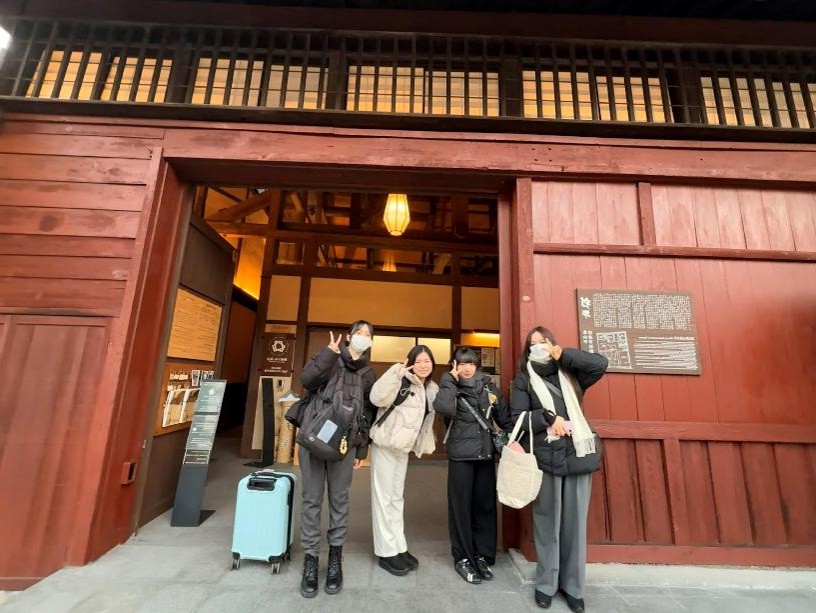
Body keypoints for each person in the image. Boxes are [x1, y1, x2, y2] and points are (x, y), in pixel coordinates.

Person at [510, 327, 608, 612]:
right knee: (547, 523)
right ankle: (546, 584)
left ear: (552, 343)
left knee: (575, 525)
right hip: (546, 456)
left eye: (543, 342)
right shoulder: (524, 378)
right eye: (533, 344)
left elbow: (599, 364)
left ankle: (573, 587)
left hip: (578, 453)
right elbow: (518, 418)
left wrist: (563, 355)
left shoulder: (571, 372)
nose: (538, 347)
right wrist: (547, 418)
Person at [297, 320, 377, 598]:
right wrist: (328, 354)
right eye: (359, 333)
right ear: (349, 336)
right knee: (311, 499)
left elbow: (367, 414)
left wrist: (362, 450)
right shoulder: (329, 357)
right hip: (314, 440)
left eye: (368, 335)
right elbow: (306, 380)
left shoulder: (368, 373)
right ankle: (310, 559)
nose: (363, 337)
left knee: (339, 500)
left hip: (344, 444)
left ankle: (335, 558)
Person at [434, 346, 512, 585]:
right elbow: (443, 408)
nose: (467, 368)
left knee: (484, 507)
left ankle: (482, 555)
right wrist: (449, 380)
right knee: (461, 509)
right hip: (461, 458)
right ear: (454, 365)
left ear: (476, 365)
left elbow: (504, 417)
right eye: (461, 363)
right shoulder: (451, 387)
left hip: (485, 456)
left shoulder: (488, 387)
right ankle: (463, 558)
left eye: (470, 363)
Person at [368, 344, 439, 576]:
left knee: (396, 498)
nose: (423, 365)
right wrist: (394, 373)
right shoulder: (401, 379)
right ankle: (386, 552)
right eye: (418, 361)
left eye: (427, 361)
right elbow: (376, 398)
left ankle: (398, 546)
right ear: (410, 363)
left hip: (402, 450)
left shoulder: (431, 388)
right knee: (383, 499)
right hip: (385, 445)